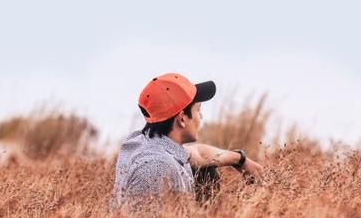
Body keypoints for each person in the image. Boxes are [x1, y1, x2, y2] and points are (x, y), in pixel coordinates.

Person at [112, 73, 263, 208]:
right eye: (198, 111)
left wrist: (240, 160)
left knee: (205, 171)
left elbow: (197, 154)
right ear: (182, 118)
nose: (201, 117)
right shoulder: (157, 168)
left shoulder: (142, 141)